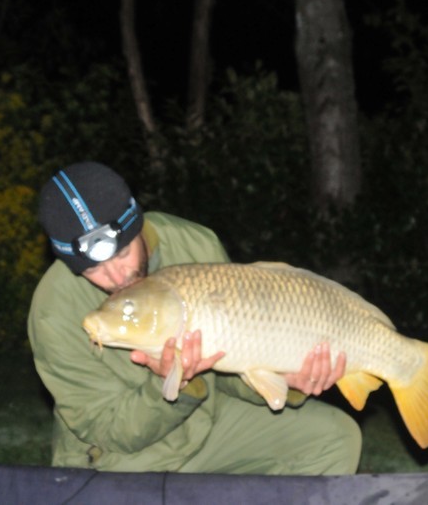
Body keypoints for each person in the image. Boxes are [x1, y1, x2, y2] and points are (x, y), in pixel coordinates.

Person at [28, 161, 361, 474]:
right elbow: (109, 429)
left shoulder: (194, 245)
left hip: (204, 423)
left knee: (334, 438)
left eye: (124, 253)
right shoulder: (53, 311)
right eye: (92, 269)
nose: (116, 277)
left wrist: (285, 377)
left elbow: (230, 363)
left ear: (137, 225)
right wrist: (166, 382)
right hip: (117, 460)